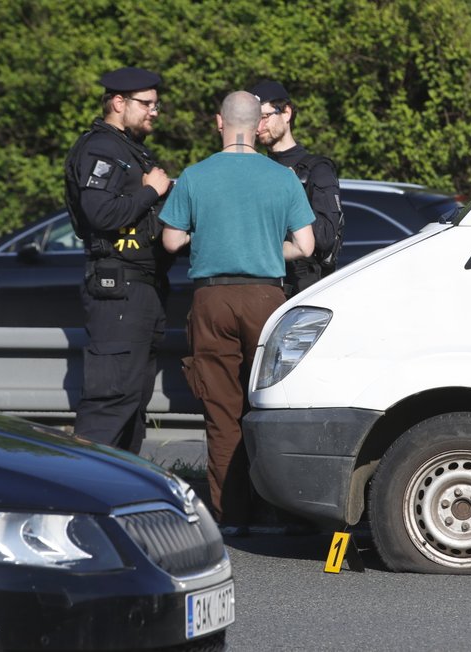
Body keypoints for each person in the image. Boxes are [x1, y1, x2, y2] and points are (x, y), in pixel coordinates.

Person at [159, 90, 315, 534]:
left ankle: (232, 518)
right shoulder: (282, 177)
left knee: (223, 412)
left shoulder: (195, 176)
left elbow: (171, 241)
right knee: (270, 406)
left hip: (212, 300)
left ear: (218, 123)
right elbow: (306, 245)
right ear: (257, 125)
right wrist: (266, 248)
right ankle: (285, 513)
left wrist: (206, 237)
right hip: (267, 299)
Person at [63, 66, 174, 454]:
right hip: (118, 291)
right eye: (147, 104)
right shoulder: (101, 149)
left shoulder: (128, 148)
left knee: (131, 404)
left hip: (140, 290)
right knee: (110, 403)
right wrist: (151, 192)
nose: (154, 112)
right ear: (118, 102)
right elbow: (100, 214)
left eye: (156, 105)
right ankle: (80, 497)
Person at [250, 79, 343, 297]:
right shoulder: (254, 169)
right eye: (254, 120)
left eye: (264, 117)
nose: (258, 127)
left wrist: (293, 192)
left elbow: (326, 238)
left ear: (287, 113)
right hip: (259, 291)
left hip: (302, 292)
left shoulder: (317, 170)